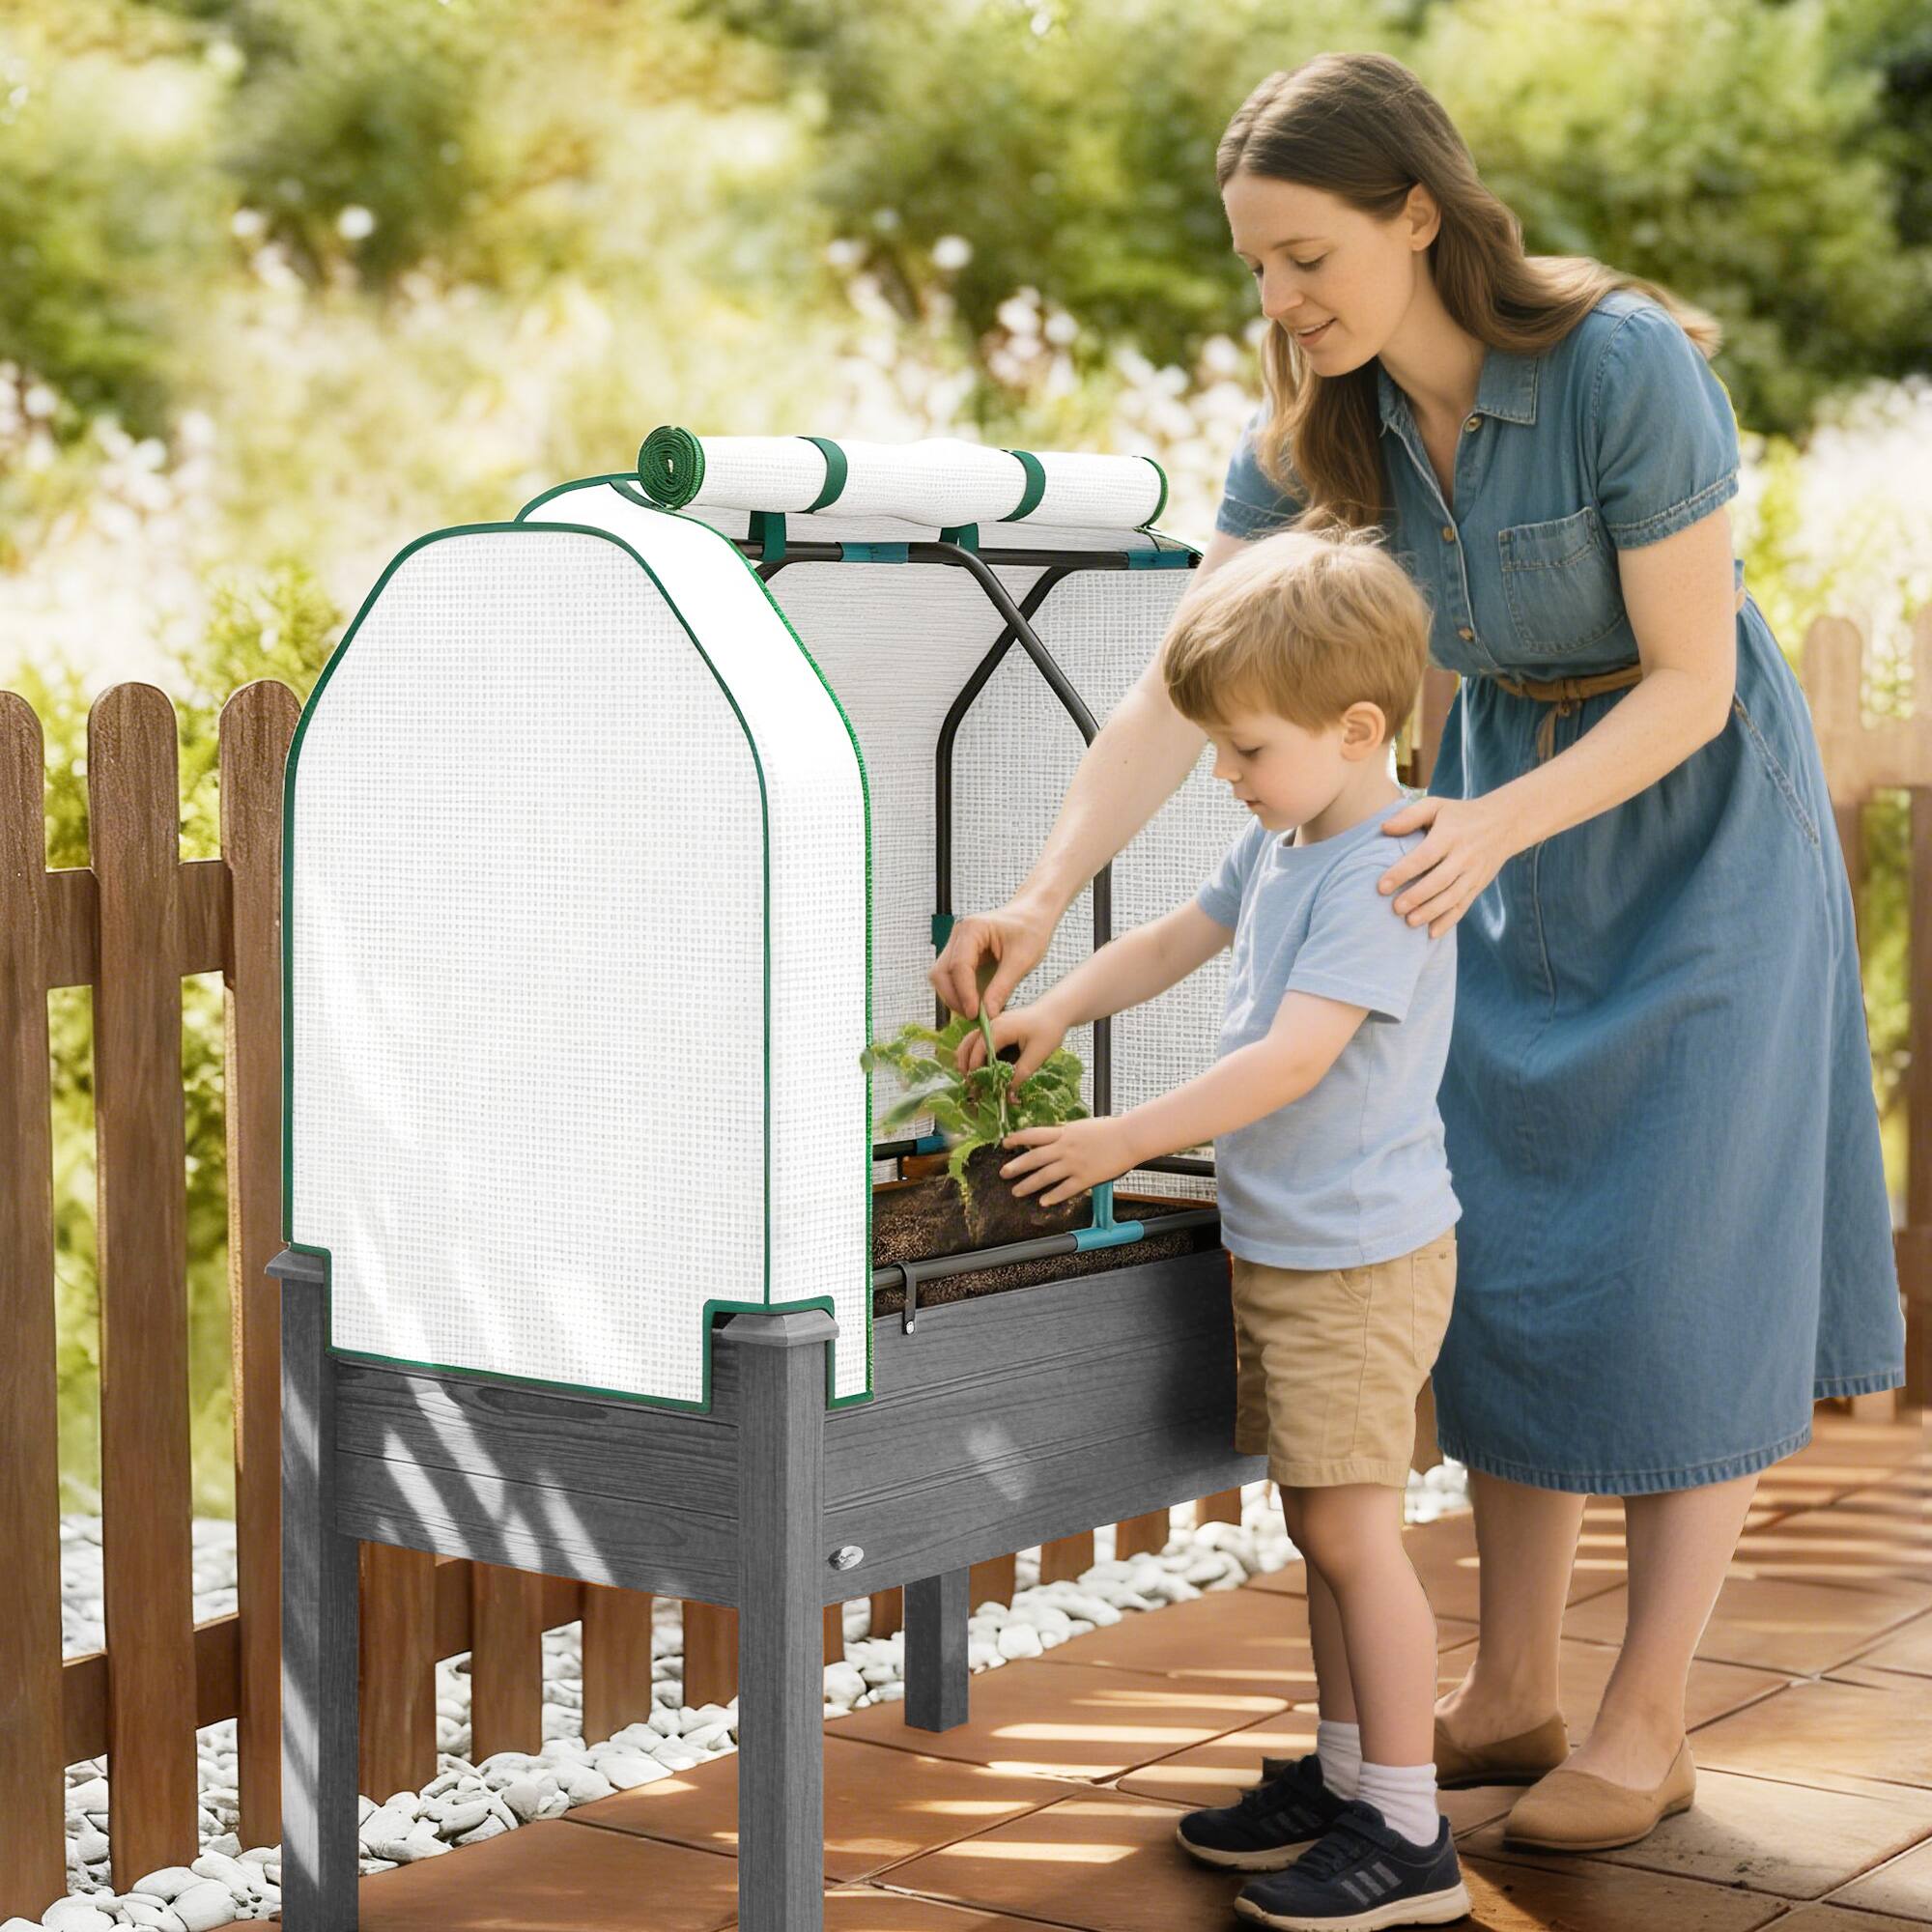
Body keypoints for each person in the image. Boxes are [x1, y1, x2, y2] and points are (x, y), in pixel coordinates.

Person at [934, 48, 1906, 1865]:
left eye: (1307, 257)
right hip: (1471, 835)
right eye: (1255, 269)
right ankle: (1516, 1687)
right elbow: (1186, 677)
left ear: (1418, 214)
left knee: (1679, 1261)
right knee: (1513, 1247)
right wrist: (1049, 889)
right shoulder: (1321, 427)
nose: (1281, 304)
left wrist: (1494, 826)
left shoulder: (1619, 365)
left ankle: (1647, 1719)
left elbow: (1692, 680)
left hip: (1675, 824)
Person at [962, 526, 1470, 1930]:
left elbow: (1291, 1062)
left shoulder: (1382, 869)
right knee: (1324, 1526)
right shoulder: (1297, 838)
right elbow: (1181, 937)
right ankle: (1353, 1777)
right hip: (1301, 1243)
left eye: (1245, 751)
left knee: (1361, 1538)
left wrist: (1126, 1136)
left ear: (1358, 727)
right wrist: (1062, 999)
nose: (1228, 779)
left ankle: (1411, 1837)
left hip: (1360, 1258)